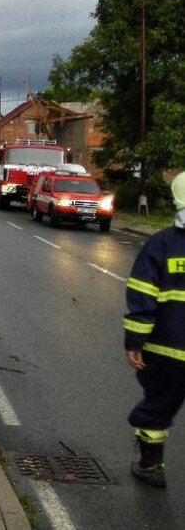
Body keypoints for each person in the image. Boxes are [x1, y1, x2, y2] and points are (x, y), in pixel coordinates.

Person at [124, 170, 185, 488]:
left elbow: (142, 295)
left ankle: (150, 466)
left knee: (158, 405)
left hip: (169, 350)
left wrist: (135, 341)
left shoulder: (162, 244)